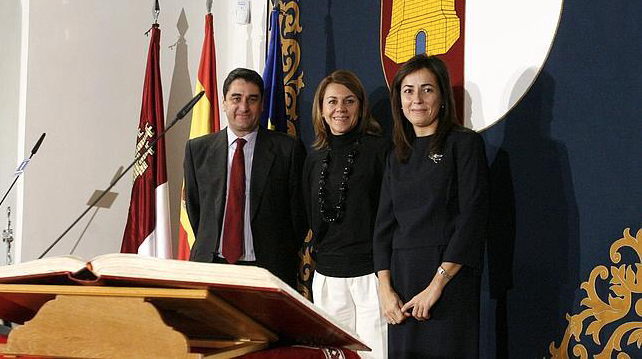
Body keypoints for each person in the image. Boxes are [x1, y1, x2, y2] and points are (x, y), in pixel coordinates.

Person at [373, 54, 489, 358]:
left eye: (427, 89)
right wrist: (386, 292)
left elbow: (472, 220)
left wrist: (437, 285)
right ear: (398, 100)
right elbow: (383, 229)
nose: (417, 99)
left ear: (442, 97)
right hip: (402, 283)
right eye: (408, 90)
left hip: (448, 282)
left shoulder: (464, 145)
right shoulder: (395, 154)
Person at [183, 68, 307, 288]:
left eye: (252, 99)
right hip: (211, 268)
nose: (244, 107)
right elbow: (197, 212)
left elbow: (299, 214)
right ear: (224, 103)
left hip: (268, 269)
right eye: (236, 98)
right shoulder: (198, 149)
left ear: (261, 105)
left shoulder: (288, 149)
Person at [303, 70, 390, 359]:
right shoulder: (314, 157)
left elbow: (390, 216)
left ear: (361, 106)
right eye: (332, 102)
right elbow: (310, 217)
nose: (340, 109)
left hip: (370, 277)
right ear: (321, 109)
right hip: (327, 276)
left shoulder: (380, 150)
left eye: (349, 101)